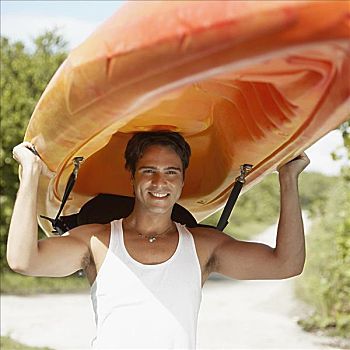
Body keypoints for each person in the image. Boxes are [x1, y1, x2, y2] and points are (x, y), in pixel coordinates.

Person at [7, 131, 310, 349]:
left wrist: (288, 178)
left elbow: (286, 264)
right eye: (148, 170)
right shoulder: (97, 240)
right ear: (133, 177)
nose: (159, 182)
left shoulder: (203, 246)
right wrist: (31, 172)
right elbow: (23, 260)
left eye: (171, 172)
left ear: (182, 180)